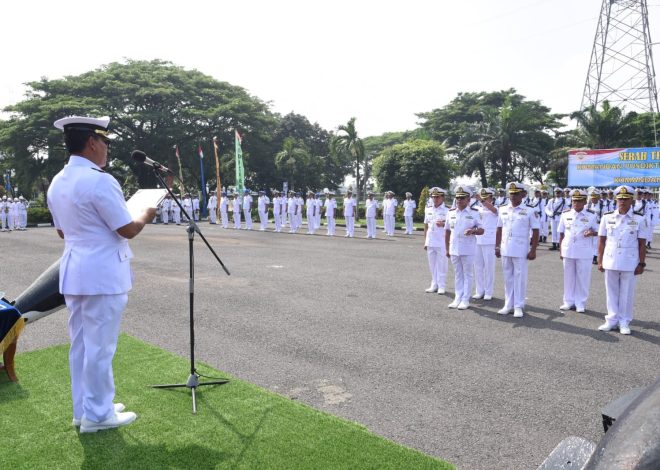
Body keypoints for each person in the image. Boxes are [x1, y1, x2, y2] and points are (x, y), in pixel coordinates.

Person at [47, 115, 155, 433]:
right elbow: (127, 229)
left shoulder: (58, 181)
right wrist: (145, 213)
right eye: (105, 142)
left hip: (75, 272)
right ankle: (98, 415)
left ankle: (86, 407)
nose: (107, 149)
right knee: (100, 347)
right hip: (102, 274)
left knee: (82, 345)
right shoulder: (99, 180)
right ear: (92, 142)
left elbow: (62, 233)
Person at [597, 185, 648, 335]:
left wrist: (642, 263)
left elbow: (642, 243)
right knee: (611, 291)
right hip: (610, 259)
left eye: (626, 198)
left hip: (629, 261)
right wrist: (600, 261)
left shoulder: (639, 218)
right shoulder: (607, 217)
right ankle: (611, 320)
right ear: (616, 199)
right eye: (620, 198)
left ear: (631, 200)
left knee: (626, 292)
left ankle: (624, 321)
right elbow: (601, 240)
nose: (623, 201)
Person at [495, 182, 540, 318]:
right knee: (507, 277)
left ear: (523, 194)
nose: (513, 196)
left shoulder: (530, 210)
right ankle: (508, 304)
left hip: (521, 248)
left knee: (519, 277)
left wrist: (533, 250)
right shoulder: (502, 209)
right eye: (511, 193)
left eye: (516, 193)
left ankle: (518, 305)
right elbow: (499, 228)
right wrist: (497, 246)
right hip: (505, 247)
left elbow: (536, 230)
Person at [558, 189, 599, 313]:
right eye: (574, 201)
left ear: (584, 201)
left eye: (579, 201)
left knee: (583, 277)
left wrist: (592, 232)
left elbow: (599, 231)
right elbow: (561, 233)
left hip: (584, 250)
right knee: (568, 277)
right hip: (568, 249)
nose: (576, 203)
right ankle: (568, 301)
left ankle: (580, 302)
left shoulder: (592, 215)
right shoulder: (565, 214)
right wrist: (561, 250)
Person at [445, 186, 484, 309]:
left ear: (469, 199)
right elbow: (447, 231)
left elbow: (482, 230)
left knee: (468, 274)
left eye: (462, 198)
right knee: (458, 274)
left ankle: (465, 299)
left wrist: (473, 231)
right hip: (454, 248)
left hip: (468, 248)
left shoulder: (475, 212)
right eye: (457, 198)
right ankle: (458, 298)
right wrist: (447, 249)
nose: (459, 200)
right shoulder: (451, 213)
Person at [473, 188, 498, 301]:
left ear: (491, 198)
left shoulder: (497, 208)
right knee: (478, 267)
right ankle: (479, 290)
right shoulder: (476, 209)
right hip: (478, 240)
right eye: (482, 197)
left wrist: (482, 201)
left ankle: (488, 291)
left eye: (485, 197)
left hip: (489, 241)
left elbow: (493, 210)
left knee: (489, 267)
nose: (483, 199)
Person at [423, 187, 449, 295]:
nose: (435, 199)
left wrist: (443, 224)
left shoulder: (448, 210)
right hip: (431, 240)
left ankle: (442, 285)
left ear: (442, 197)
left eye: (437, 197)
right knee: (432, 264)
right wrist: (425, 241)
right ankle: (434, 284)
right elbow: (425, 225)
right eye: (433, 197)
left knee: (442, 265)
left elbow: (451, 227)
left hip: (442, 241)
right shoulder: (428, 209)